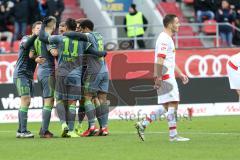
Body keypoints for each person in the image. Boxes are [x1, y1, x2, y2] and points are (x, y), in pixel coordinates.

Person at [39, 17, 107, 138]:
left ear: (66, 28)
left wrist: (44, 25)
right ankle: (71, 130)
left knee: (59, 99)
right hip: (76, 75)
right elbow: (92, 51)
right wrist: (101, 53)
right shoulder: (82, 41)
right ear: (75, 28)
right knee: (72, 103)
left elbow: (43, 37)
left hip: (61, 73)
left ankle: (64, 124)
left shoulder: (59, 38)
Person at [135, 14, 190, 142]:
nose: (179, 25)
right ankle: (173, 136)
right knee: (173, 103)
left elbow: (170, 60)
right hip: (166, 77)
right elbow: (160, 59)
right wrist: (158, 76)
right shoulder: (165, 39)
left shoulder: (167, 38)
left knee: (166, 105)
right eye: (177, 22)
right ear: (170, 24)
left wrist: (180, 74)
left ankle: (143, 124)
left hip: (166, 75)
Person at [64, 19, 110, 136]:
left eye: (80, 28)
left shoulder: (87, 36)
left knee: (87, 97)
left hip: (94, 71)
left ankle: (92, 127)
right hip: (105, 70)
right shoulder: (99, 35)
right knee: (101, 99)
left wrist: (64, 32)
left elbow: (71, 34)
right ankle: (104, 128)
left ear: (85, 28)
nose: (78, 30)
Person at [29, 16, 57, 138]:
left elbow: (31, 54)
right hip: (48, 72)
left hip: (40, 71)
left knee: (46, 100)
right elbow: (53, 53)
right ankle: (44, 131)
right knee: (49, 101)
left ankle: (43, 128)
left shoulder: (36, 39)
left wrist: (36, 58)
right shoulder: (47, 38)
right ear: (53, 26)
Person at [13, 21, 42, 138]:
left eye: (42, 29)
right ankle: (23, 131)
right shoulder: (26, 38)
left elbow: (32, 55)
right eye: (38, 28)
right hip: (21, 74)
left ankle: (20, 130)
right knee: (25, 99)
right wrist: (35, 35)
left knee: (27, 102)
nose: (40, 30)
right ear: (33, 30)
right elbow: (25, 46)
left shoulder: (38, 43)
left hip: (29, 75)